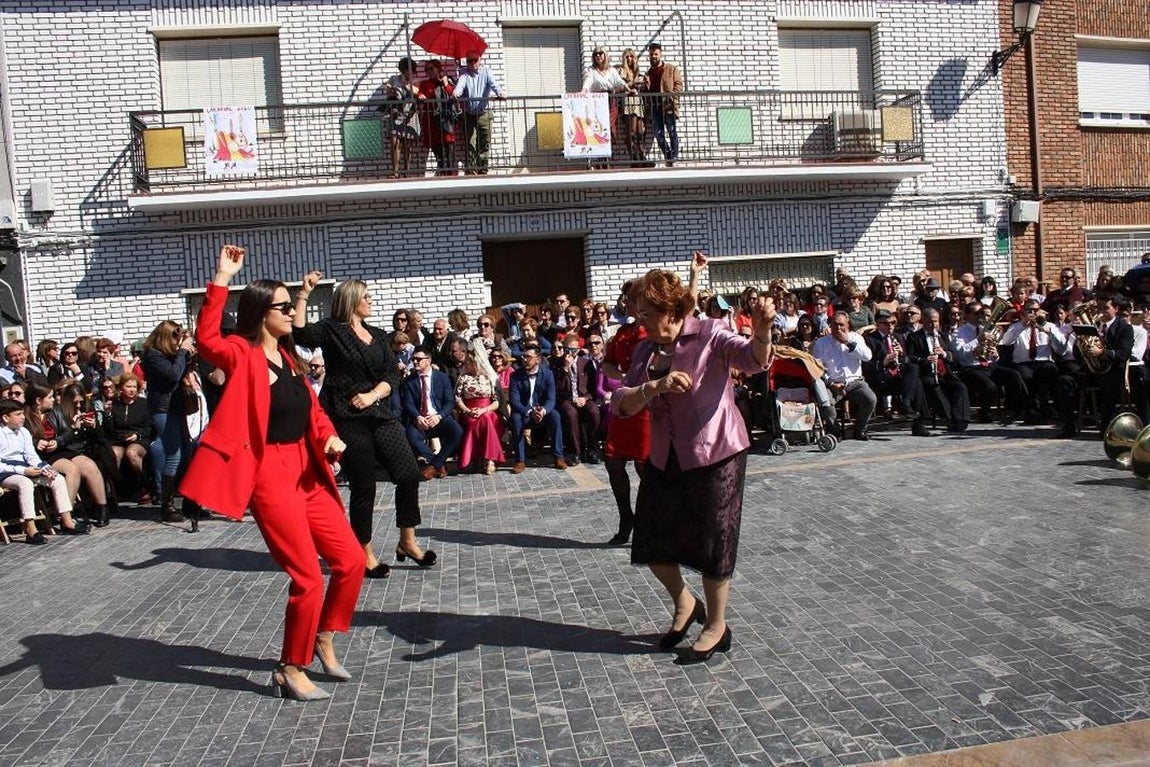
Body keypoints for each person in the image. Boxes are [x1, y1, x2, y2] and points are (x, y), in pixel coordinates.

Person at [181, 245, 363, 702]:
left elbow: (311, 410)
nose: (290, 313)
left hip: (308, 472)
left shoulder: (291, 358)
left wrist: (329, 436)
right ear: (262, 313)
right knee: (306, 577)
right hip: (269, 476)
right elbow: (206, 340)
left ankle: (323, 636)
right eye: (283, 307)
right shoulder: (242, 355)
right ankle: (289, 667)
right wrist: (222, 277)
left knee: (351, 561)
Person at [612, 263, 775, 665]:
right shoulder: (645, 349)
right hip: (665, 455)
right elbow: (622, 403)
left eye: (645, 313)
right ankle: (686, 603)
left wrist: (762, 331)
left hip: (716, 451)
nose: (640, 321)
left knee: (712, 542)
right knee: (651, 541)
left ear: (668, 309)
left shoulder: (710, 334)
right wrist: (654, 386)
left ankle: (717, 626)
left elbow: (753, 361)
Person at [292, 270, 435, 578]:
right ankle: (364, 552)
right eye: (366, 296)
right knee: (364, 485)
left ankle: (407, 541)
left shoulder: (378, 334)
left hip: (379, 411)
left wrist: (372, 395)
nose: (371, 300)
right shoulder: (331, 330)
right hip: (346, 416)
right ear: (352, 300)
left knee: (408, 473)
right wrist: (303, 294)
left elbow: (393, 375)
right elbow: (301, 334)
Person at [0, 399, 78, 544]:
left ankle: (67, 521)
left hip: (27, 468)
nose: (23, 417)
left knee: (57, 478)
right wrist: (23, 471)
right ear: (5, 417)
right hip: (7, 473)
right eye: (18, 414)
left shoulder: (23, 432)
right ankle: (31, 528)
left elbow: (31, 456)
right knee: (25, 484)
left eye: (23, 413)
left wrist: (45, 468)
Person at [400, 350, 463, 480]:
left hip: (439, 418)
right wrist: (417, 417)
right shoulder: (409, 381)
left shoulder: (441, 377)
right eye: (413, 359)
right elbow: (408, 403)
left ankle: (433, 466)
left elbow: (449, 401)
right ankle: (439, 464)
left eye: (418, 359)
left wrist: (439, 416)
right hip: (420, 419)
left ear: (428, 361)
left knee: (457, 431)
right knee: (412, 436)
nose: (415, 361)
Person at [812, 314, 877, 440]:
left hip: (855, 382)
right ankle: (835, 430)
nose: (838, 328)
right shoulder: (821, 343)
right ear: (830, 325)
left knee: (870, 399)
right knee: (826, 403)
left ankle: (860, 428)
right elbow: (817, 368)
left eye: (842, 325)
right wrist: (831, 383)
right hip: (832, 383)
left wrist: (848, 342)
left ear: (847, 325)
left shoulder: (856, 338)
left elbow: (867, 357)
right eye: (835, 324)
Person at [508, 344, 566, 473]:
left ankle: (558, 457)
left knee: (555, 416)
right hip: (524, 412)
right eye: (523, 356)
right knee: (516, 418)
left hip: (542, 412)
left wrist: (543, 410)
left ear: (538, 359)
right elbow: (515, 401)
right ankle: (520, 460)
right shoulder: (516, 375)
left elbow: (551, 399)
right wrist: (529, 411)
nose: (524, 359)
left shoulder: (547, 374)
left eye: (528, 357)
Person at [452, 49, 504, 174]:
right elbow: (460, 86)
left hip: (484, 113)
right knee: (470, 142)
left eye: (475, 60)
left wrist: (500, 93)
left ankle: (482, 169)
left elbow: (494, 84)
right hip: (469, 114)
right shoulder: (464, 73)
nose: (472, 63)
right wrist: (456, 93)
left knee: (484, 142)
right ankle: (471, 169)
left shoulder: (486, 72)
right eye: (469, 60)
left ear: (480, 60)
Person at [455, 346, 504, 475]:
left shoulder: (488, 378)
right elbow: (458, 399)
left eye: (470, 362)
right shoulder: (463, 378)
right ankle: (481, 457)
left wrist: (484, 410)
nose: (467, 365)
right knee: (476, 421)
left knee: (487, 418)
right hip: (469, 411)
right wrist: (467, 410)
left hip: (488, 410)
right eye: (466, 362)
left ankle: (489, 459)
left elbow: (496, 402)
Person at [643, 43, 683, 167]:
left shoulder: (671, 69)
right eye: (651, 54)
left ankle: (674, 157)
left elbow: (678, 85)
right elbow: (647, 92)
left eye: (655, 54)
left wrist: (671, 98)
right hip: (655, 108)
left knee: (672, 131)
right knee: (659, 135)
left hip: (668, 106)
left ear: (660, 54)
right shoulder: (648, 73)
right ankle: (669, 156)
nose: (653, 56)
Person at [418, 58, 458, 176]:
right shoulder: (425, 84)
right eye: (426, 70)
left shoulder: (447, 81)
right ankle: (441, 170)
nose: (428, 71)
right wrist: (420, 96)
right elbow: (421, 93)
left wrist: (445, 84)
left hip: (446, 120)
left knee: (449, 146)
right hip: (432, 121)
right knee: (437, 148)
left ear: (438, 69)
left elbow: (454, 95)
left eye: (431, 68)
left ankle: (451, 171)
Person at [383, 57, 421, 178]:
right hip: (396, 114)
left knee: (407, 144)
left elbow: (418, 92)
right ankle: (395, 171)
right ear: (403, 70)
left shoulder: (414, 82)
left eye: (412, 71)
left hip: (409, 114)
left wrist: (407, 85)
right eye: (408, 71)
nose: (410, 73)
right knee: (395, 142)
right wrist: (391, 89)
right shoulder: (394, 79)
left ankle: (406, 171)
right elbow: (388, 92)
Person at [618, 48, 648, 163]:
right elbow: (621, 86)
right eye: (627, 57)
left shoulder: (637, 71)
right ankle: (634, 158)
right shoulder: (622, 71)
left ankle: (641, 156)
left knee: (640, 131)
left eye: (631, 56)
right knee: (632, 131)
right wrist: (633, 83)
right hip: (629, 101)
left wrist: (645, 83)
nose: (629, 59)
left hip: (638, 102)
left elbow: (642, 88)